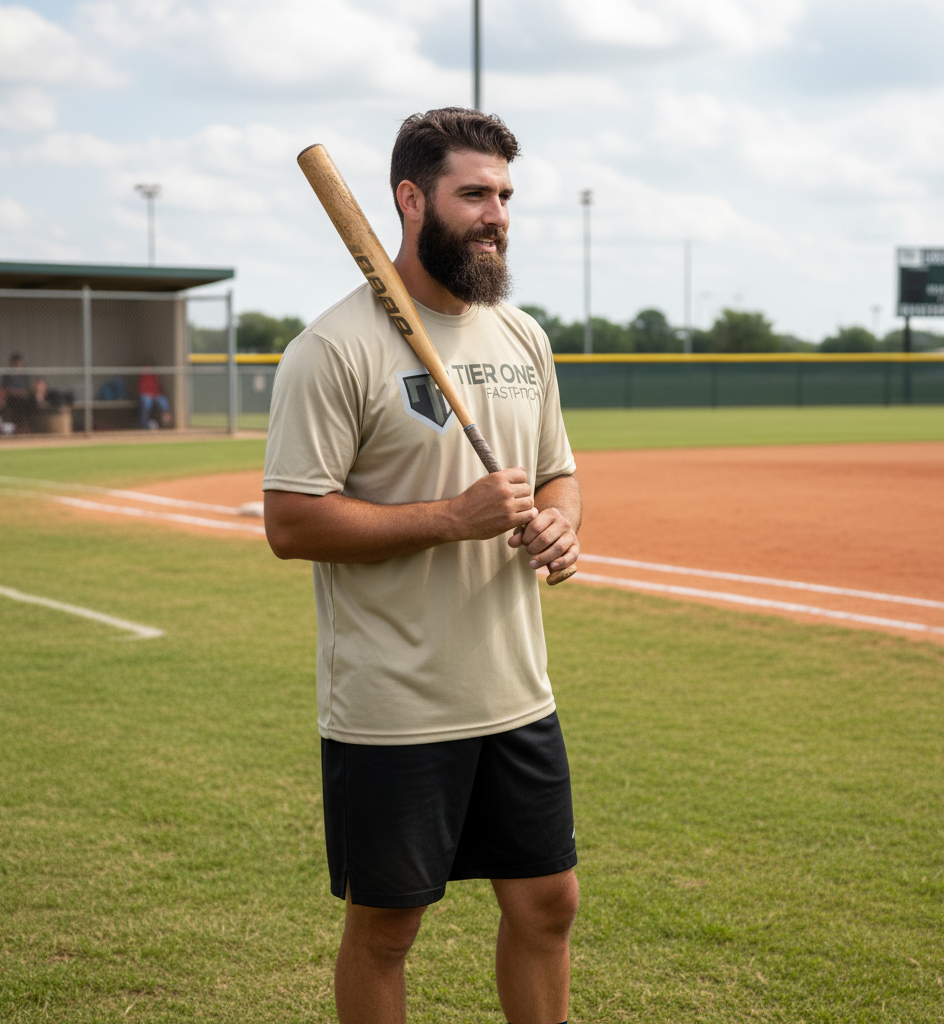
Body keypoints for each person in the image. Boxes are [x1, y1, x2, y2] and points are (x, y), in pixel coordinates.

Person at [263, 107, 582, 1024]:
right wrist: (455, 517)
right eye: (474, 193)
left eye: (506, 196)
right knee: (388, 929)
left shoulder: (520, 336)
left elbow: (561, 473)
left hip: (517, 689)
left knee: (548, 905)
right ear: (410, 200)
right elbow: (291, 522)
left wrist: (560, 525)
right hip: (394, 705)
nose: (497, 215)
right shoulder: (333, 348)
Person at [0, 353, 48, 432]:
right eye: (16, 364)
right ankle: (19, 427)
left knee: (32, 401)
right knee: (20, 404)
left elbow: (29, 389)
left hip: (25, 399)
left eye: (20, 364)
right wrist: (17, 392)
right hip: (12, 399)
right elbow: (5, 390)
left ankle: (29, 426)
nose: (18, 367)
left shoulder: (24, 376)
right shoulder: (7, 376)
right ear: (12, 365)